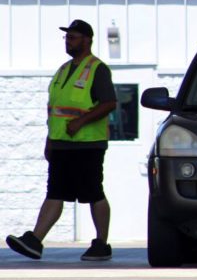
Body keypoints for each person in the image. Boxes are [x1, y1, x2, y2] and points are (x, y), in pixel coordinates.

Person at [6, 19, 117, 261]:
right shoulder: (63, 70)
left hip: (88, 144)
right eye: (67, 37)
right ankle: (35, 240)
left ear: (87, 40)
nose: (68, 41)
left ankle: (101, 243)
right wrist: (49, 141)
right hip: (62, 144)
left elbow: (109, 103)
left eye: (73, 37)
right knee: (55, 192)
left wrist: (81, 122)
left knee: (93, 193)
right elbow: (54, 110)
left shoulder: (97, 69)